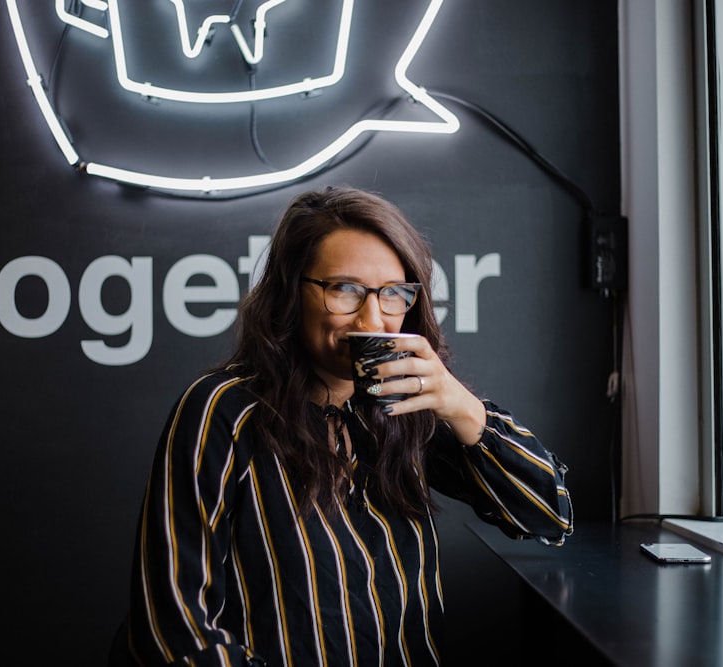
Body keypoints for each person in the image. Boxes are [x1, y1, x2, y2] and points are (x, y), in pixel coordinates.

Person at [117, 186, 573, 666]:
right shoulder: (224, 412)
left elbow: (548, 515)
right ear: (291, 293)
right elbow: (172, 632)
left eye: (393, 294)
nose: (372, 318)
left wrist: (460, 406)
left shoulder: (405, 406)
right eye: (345, 290)